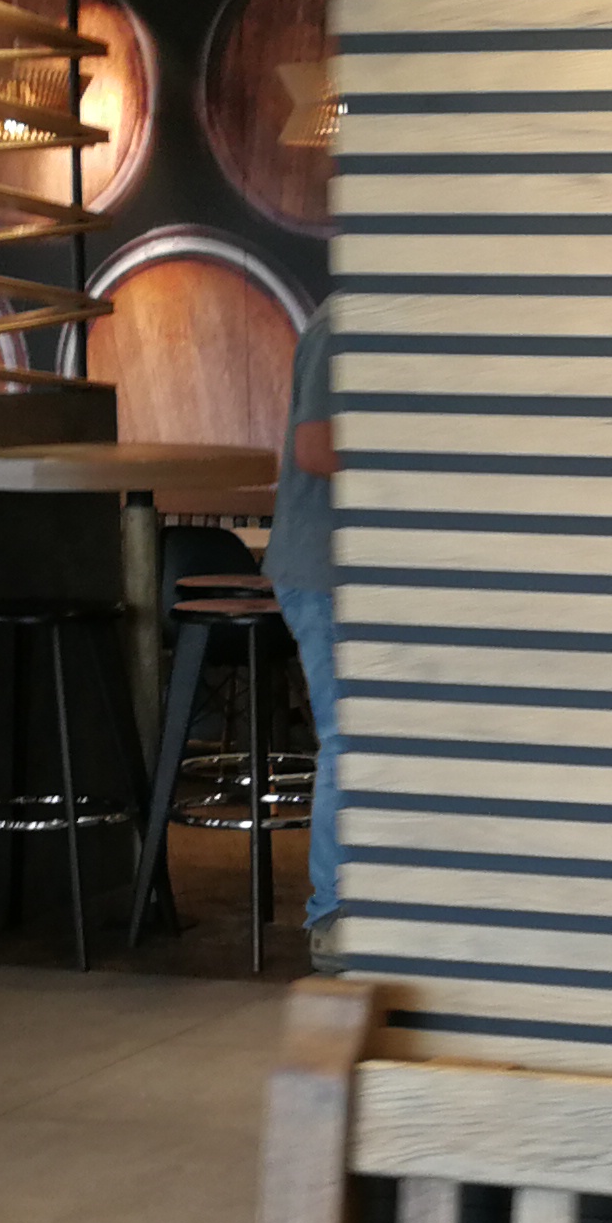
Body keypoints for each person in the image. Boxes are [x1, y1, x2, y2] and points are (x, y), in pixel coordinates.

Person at [270, 296, 342, 974]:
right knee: (351, 740)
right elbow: (315, 446)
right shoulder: (341, 326)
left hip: (356, 570)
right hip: (323, 571)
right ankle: (332, 917)